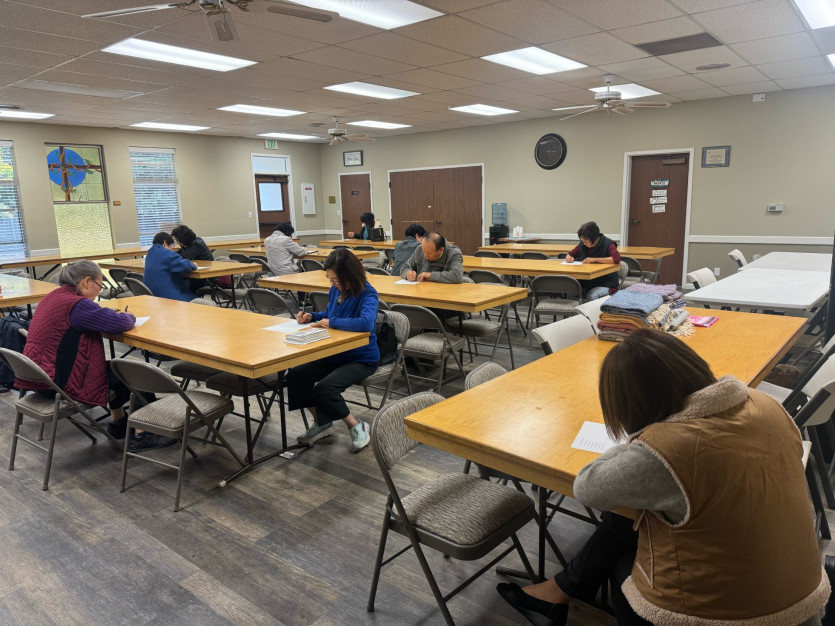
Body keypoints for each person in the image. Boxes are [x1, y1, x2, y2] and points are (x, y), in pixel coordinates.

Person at [497, 328, 829, 626]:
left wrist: (641, 438)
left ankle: (559, 594)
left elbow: (587, 487)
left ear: (635, 404)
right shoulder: (765, 403)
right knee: (623, 521)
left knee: (623, 552)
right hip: (798, 587)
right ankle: (556, 593)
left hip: (728, 614)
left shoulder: (666, 451)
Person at [15, 260, 173, 451]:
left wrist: (104, 313)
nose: (99, 291)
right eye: (99, 284)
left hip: (41, 378)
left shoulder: (54, 297)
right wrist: (130, 315)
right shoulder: (76, 305)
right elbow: (120, 323)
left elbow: (92, 316)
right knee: (137, 374)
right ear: (87, 281)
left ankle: (118, 423)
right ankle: (144, 434)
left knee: (115, 369)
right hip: (60, 383)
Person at [286, 248, 379, 453]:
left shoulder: (368, 293)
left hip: (361, 358)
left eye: (337, 279)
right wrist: (312, 317)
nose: (333, 283)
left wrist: (331, 322)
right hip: (334, 353)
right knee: (295, 377)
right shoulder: (336, 290)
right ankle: (322, 422)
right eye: (330, 279)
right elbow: (329, 314)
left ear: (351, 275)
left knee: (324, 389)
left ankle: (356, 425)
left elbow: (366, 323)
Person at [564, 221, 620, 299]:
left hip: (606, 283)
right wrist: (568, 257)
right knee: (569, 291)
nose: (584, 243)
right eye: (582, 240)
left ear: (595, 238)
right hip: (586, 281)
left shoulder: (608, 244)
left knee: (592, 295)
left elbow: (616, 259)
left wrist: (594, 259)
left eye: (586, 241)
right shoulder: (582, 244)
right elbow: (571, 254)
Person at [143, 232, 198, 302]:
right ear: (165, 243)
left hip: (151, 297)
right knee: (197, 300)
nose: (172, 249)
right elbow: (184, 266)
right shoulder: (167, 253)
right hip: (167, 297)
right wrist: (192, 264)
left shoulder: (150, 253)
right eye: (172, 246)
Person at [171, 224, 213, 292]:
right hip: (197, 270)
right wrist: (170, 254)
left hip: (206, 274)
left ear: (183, 239)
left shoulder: (197, 243)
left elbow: (186, 256)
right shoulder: (190, 243)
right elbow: (180, 252)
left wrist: (170, 255)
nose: (178, 242)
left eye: (178, 240)